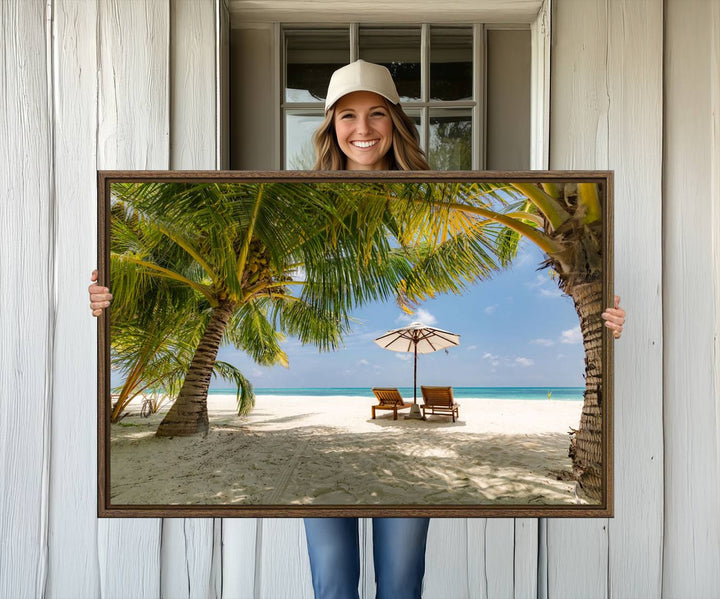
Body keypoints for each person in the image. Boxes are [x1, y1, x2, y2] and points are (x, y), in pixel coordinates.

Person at [88, 60, 627, 599]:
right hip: (320, 470)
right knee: (333, 585)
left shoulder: (441, 197)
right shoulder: (292, 202)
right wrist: (108, 295)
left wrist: (603, 317)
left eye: (376, 114)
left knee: (400, 584)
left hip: (410, 475)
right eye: (347, 115)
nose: (363, 129)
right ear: (330, 126)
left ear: (395, 121)